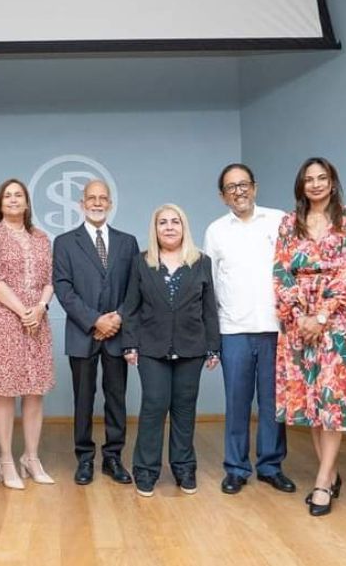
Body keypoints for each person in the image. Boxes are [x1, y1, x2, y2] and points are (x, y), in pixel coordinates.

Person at [273, 157, 346, 517]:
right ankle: (329, 473)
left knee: (331, 401)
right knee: (311, 402)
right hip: (297, 320)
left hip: (337, 319)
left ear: (332, 182)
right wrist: (300, 316)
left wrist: (323, 314)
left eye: (322, 178)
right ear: (301, 185)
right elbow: (281, 272)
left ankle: (322, 481)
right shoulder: (289, 222)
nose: (315, 184)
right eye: (308, 179)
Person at [203, 164, 294, 495]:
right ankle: (236, 468)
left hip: (275, 329)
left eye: (243, 185)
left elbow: (292, 271)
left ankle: (271, 466)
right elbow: (210, 285)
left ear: (254, 187)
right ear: (222, 195)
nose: (238, 191)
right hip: (233, 330)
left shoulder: (279, 220)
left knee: (272, 403)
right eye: (230, 187)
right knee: (237, 402)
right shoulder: (215, 231)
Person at [122, 204, 220, 498]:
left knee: (184, 408)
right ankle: (146, 470)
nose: (168, 227)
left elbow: (209, 309)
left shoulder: (201, 262)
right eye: (162, 222)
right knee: (154, 405)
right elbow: (131, 307)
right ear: (155, 229)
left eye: (174, 222)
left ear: (183, 227)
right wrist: (129, 343)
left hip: (192, 348)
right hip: (151, 348)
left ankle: (184, 467)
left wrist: (214, 347)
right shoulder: (141, 262)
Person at [53, 180, 139, 485]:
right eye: (92, 198)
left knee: (116, 398)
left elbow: (134, 288)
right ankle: (85, 459)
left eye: (103, 198)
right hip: (82, 333)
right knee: (83, 399)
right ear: (81, 203)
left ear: (111, 203)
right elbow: (63, 289)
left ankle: (113, 458)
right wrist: (95, 321)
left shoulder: (127, 242)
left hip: (118, 333)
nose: (98, 202)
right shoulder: (64, 243)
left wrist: (115, 319)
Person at [0, 179, 55, 490]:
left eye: (18, 195)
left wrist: (40, 308)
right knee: (6, 390)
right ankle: (6, 459)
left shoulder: (40, 237)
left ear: (27, 202)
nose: (12, 200)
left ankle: (31, 458)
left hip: (36, 319)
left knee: (35, 390)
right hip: (2, 319)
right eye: (7, 196)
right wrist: (23, 309)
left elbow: (50, 279)